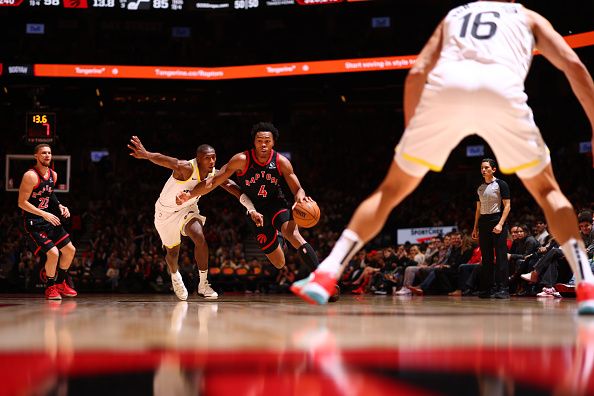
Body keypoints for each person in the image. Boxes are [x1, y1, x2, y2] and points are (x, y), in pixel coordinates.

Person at [291, 0, 594, 314]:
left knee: (389, 192)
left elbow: (417, 73)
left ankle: (327, 272)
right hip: (501, 90)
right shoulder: (528, 16)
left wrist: (413, 135)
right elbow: (574, 67)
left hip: (445, 91)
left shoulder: (455, 15)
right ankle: (586, 283)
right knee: (548, 193)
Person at [176, 122, 337, 301]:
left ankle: (322, 280)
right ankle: (279, 237)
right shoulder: (241, 160)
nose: (263, 144)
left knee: (293, 234)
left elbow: (298, 188)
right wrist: (189, 194)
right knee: (279, 263)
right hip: (253, 210)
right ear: (254, 142)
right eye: (259, 140)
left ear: (273, 143)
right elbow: (214, 181)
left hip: (277, 204)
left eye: (267, 141)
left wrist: (300, 197)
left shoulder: (281, 162)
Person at [128, 136, 261, 300]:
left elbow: (233, 188)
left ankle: (203, 284)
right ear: (198, 159)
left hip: (188, 208)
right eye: (207, 158)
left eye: (214, 157)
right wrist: (147, 154)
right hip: (165, 213)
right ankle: (175, 275)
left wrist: (251, 208)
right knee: (172, 253)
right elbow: (167, 161)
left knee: (199, 236)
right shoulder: (186, 168)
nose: (212, 161)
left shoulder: (213, 174)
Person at [18, 144, 77, 300]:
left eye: (49, 153)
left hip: (47, 219)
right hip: (33, 223)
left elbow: (50, 194)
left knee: (70, 250)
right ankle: (50, 288)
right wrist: (43, 213)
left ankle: (60, 283)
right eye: (43, 153)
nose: (47, 155)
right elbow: (22, 202)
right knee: (53, 253)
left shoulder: (53, 175)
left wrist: (59, 205)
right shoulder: (30, 176)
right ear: (36, 156)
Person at [471, 158, 511, 298]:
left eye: (486, 167)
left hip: (497, 220)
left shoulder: (501, 184)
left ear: (493, 169)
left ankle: (503, 289)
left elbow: (507, 206)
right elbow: (478, 209)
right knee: (486, 258)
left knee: (500, 257)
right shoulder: (479, 187)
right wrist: (475, 227)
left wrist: (500, 224)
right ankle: (487, 289)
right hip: (483, 223)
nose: (483, 170)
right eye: (482, 168)